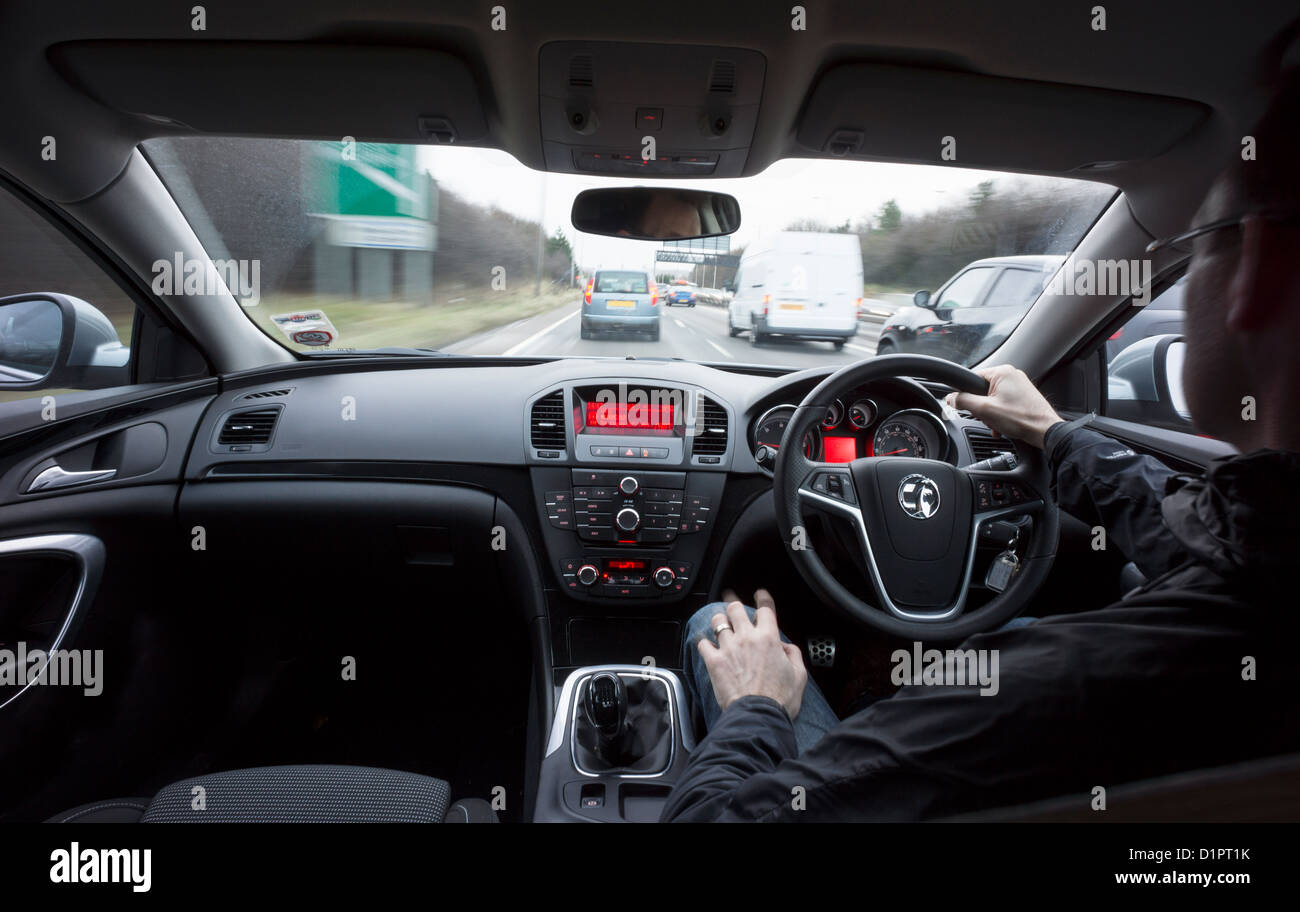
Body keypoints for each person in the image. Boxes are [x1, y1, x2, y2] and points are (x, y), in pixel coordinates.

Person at [661, 70, 1300, 822]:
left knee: (721, 629)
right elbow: (1194, 533)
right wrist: (1056, 437)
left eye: (1197, 245)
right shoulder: (1261, 561)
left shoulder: (1049, 693)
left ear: (1257, 267)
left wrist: (758, 708)